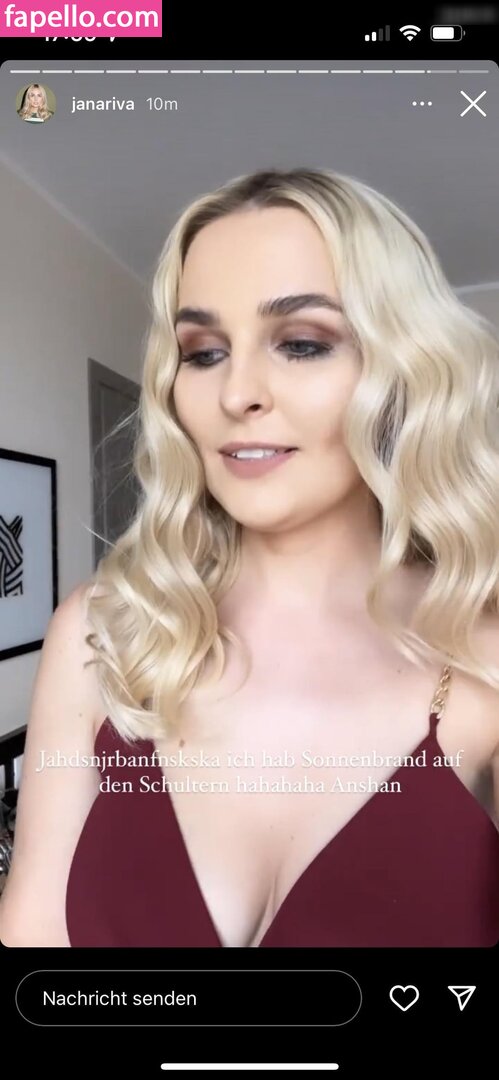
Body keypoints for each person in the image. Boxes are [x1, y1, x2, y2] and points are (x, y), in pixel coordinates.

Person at [1, 167, 499, 949]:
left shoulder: (483, 657)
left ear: (404, 370)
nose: (237, 394)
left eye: (301, 344)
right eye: (203, 353)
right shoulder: (103, 635)